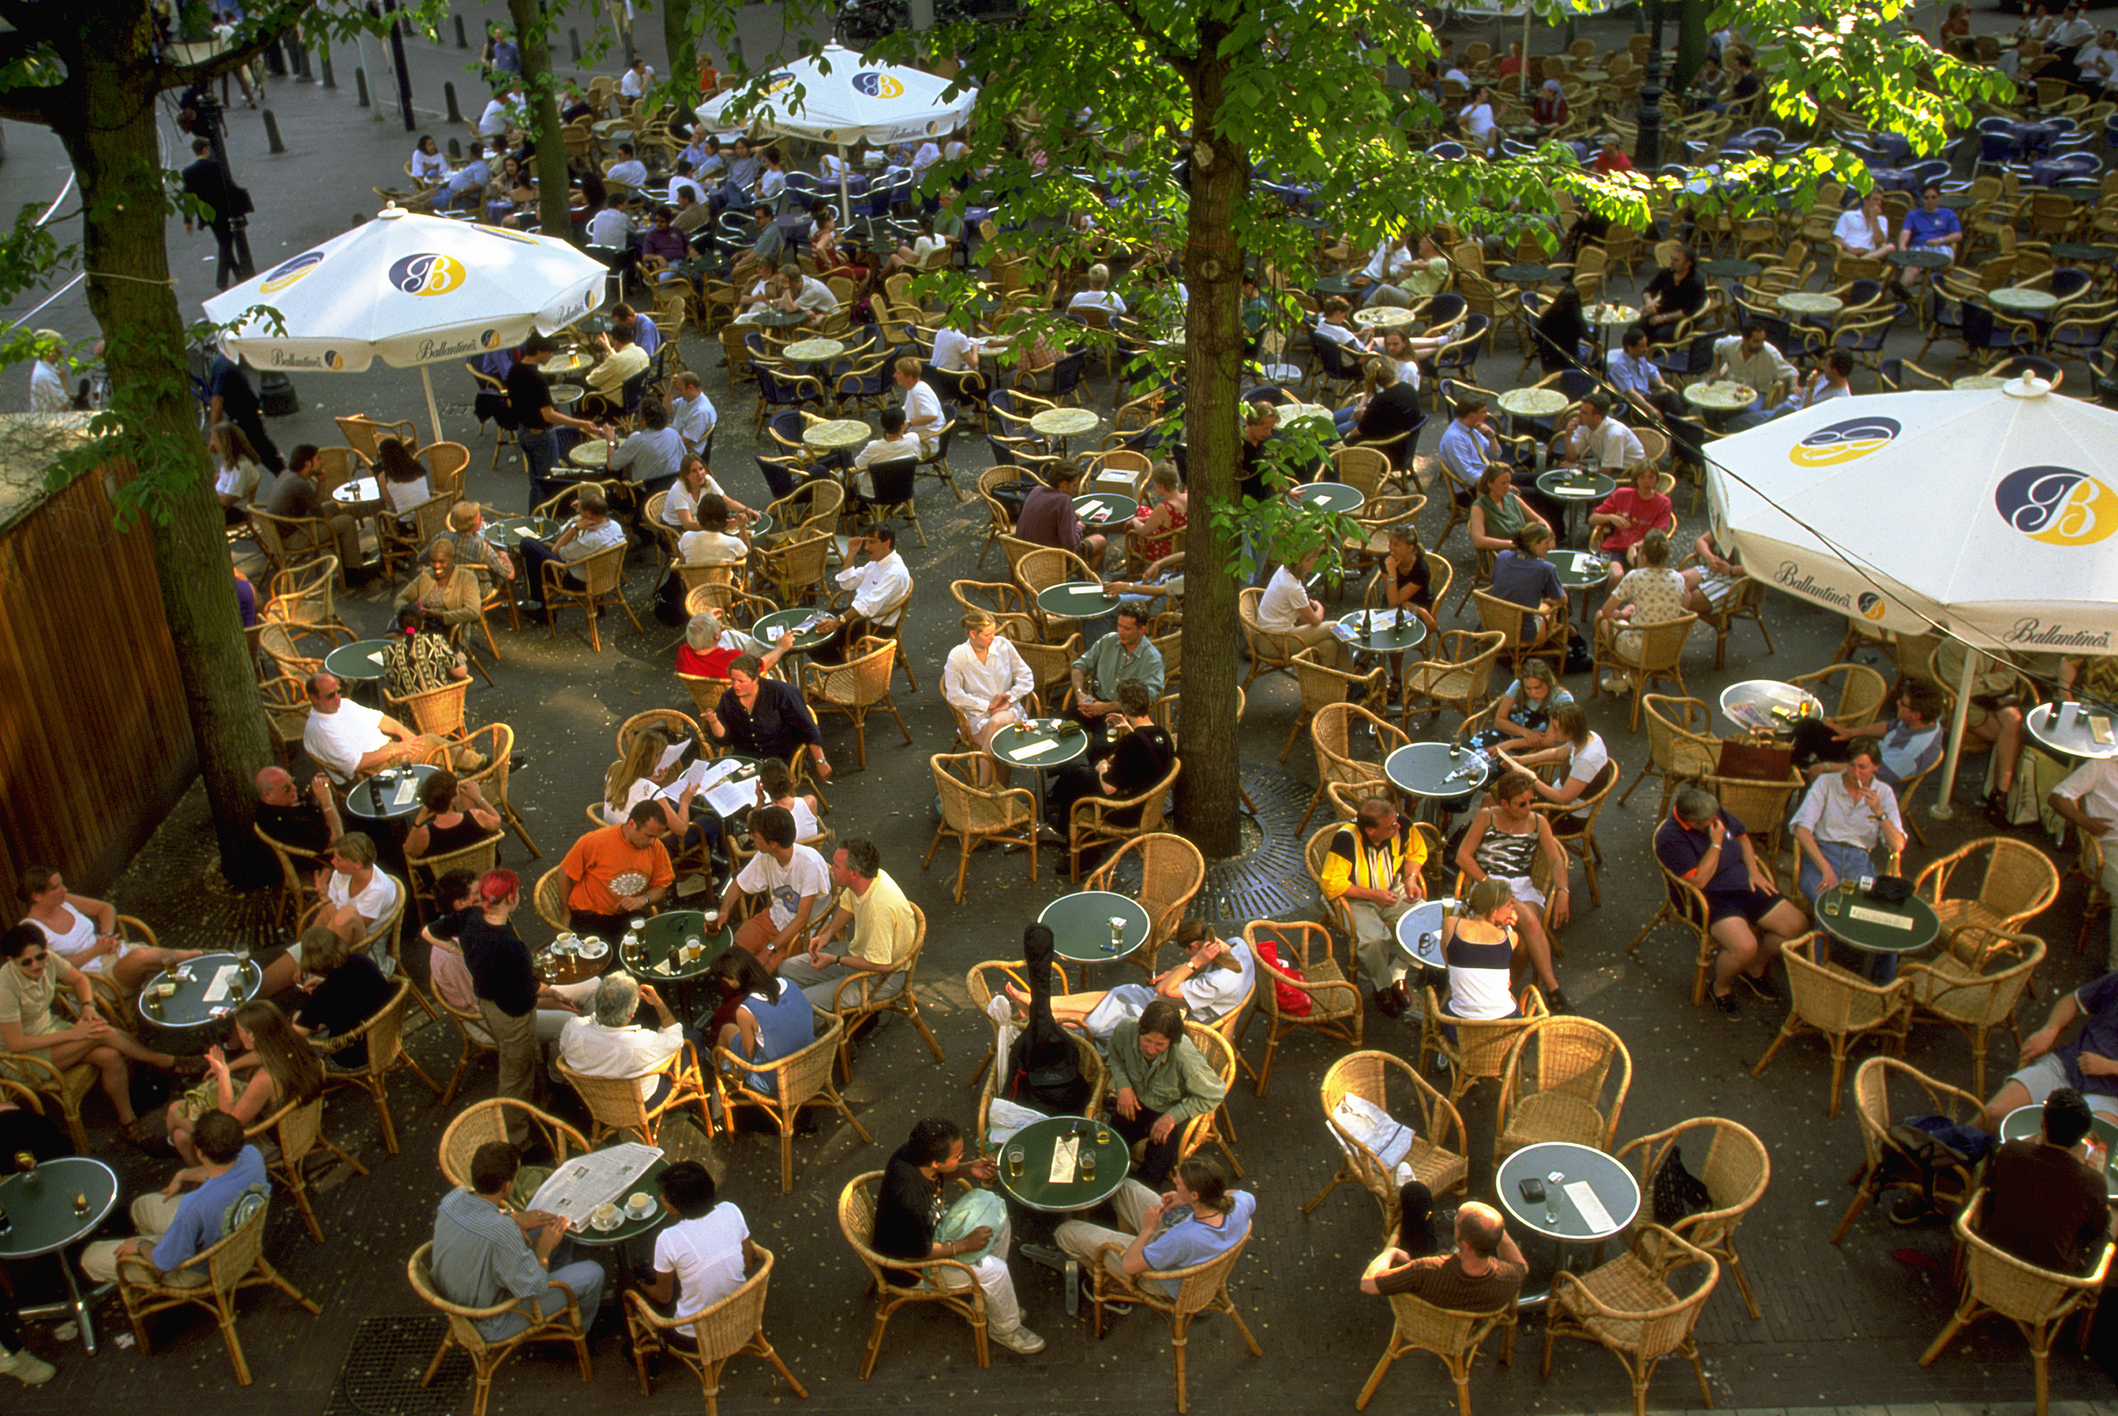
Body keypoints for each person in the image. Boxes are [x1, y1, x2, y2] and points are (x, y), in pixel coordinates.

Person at [0, 925, 197, 1144]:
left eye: (40, 957)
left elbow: (79, 980)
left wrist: (87, 1007)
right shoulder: (4, 989)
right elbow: (15, 1044)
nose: (36, 964)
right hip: (24, 1059)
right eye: (26, 962)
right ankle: (163, 1060)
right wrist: (73, 1035)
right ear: (11, 960)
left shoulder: (49, 959)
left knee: (110, 1056)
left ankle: (127, 1122)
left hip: (52, 1031)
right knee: (99, 1033)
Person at [426, 869, 586, 1137]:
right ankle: (516, 1138)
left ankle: (537, 1103)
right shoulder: (508, 945)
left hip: (494, 1002)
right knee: (515, 1076)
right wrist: (551, 995)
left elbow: (427, 932)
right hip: (509, 1012)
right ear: (511, 897)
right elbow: (525, 990)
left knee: (520, 1068)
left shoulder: (470, 918)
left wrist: (461, 951)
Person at [871, 1117, 1045, 1353]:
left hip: (928, 1232)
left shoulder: (912, 1154)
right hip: (911, 1268)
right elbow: (919, 1254)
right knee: (995, 1271)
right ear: (934, 1162)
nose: (962, 1157)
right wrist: (964, 1245)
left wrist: (967, 1169)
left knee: (999, 1219)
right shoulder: (909, 1200)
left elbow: (940, 1172)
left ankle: (989, 1297)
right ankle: (1004, 1329)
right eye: (957, 1157)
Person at [431, 1140, 604, 1341]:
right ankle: (571, 1334)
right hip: (492, 1321)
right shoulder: (502, 1233)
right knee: (593, 1273)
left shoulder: (452, 1200)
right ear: (507, 1186)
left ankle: (560, 1297)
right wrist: (543, 1250)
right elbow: (535, 1289)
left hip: (464, 1296)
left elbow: (482, 1218)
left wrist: (511, 1216)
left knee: (554, 1225)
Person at [1655, 788, 1805, 1016]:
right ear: (1692, 822)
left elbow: (1742, 836)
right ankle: (1720, 987)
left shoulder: (1711, 811)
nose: (1717, 821)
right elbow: (1700, 880)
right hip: (1710, 897)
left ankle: (1754, 969)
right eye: (1709, 822)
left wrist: (1753, 870)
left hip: (1742, 881)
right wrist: (1716, 843)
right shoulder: (1671, 838)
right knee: (1744, 947)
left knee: (1796, 925)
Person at [79, 1110, 268, 1286]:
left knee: (89, 1256)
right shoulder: (252, 1156)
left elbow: (163, 1262)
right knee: (141, 1206)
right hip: (239, 1241)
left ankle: (152, 1273)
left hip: (198, 1271)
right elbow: (220, 1173)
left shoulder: (194, 1206)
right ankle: (167, 1242)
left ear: (199, 1153)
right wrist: (183, 1174)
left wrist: (141, 1245)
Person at [1045, 1153, 1254, 1301]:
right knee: (1125, 1188)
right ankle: (1124, 1247)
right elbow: (1234, 1194)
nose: (1173, 1181)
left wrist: (1147, 1230)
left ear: (1196, 1194)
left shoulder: (1181, 1239)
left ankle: (1116, 1284)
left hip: (1162, 1277)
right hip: (1185, 1240)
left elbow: (1130, 1265)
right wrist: (1185, 1200)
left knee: (1065, 1232)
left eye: (1179, 1183)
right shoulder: (1240, 1204)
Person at [1454, 770, 1571, 1012]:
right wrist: (1489, 882)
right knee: (1528, 919)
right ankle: (1553, 990)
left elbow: (1557, 860)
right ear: (1505, 803)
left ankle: (1507, 992)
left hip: (1523, 886)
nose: (1529, 808)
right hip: (1489, 882)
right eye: (1521, 804)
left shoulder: (1538, 822)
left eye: (1531, 802)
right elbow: (1463, 857)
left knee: (1525, 946)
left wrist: (1563, 891)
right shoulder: (1487, 817)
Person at [1024, 922, 1254, 1039]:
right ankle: (1045, 1006)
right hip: (1198, 1007)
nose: (1190, 959)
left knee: (1117, 1009)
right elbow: (1186, 977)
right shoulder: (1237, 946)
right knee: (1124, 994)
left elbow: (1164, 990)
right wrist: (1183, 970)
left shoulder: (1217, 983)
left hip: (1189, 1025)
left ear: (1195, 947)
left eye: (1189, 954)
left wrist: (1194, 964)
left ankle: (1041, 1013)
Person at [164, 998, 321, 1165]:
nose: (238, 1035)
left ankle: (214, 1174)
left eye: (239, 1030)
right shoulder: (292, 1044)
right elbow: (264, 1054)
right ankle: (197, 1166)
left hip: (269, 1144)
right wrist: (231, 1066)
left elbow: (228, 1125)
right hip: (299, 1128)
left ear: (252, 1035)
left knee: (175, 1110)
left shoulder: (265, 1079)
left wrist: (223, 1074)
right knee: (181, 1137)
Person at [1103, 998, 1228, 1188]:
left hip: (1171, 1112)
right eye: (1147, 1041)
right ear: (1139, 1030)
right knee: (1104, 1148)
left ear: (1172, 1041)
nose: (1151, 1050)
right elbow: (1114, 1057)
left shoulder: (1184, 1055)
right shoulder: (1126, 1029)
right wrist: (1123, 1085)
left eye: (1160, 1045)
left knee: (1153, 1175)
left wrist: (1172, 1116)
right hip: (1137, 1103)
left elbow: (1215, 1094)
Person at [1321, 798, 1428, 1016]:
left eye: (1395, 821)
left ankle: (1398, 971)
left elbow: (1416, 851)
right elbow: (1332, 883)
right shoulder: (1346, 839)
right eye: (1390, 826)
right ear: (1371, 830)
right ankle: (1382, 985)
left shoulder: (1402, 825)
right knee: (1374, 940)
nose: (1397, 827)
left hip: (1392, 888)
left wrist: (1411, 877)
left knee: (1426, 920)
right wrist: (1373, 895)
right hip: (1357, 898)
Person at [780, 838, 918, 1008]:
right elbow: (847, 906)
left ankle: (825, 1026)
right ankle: (805, 1010)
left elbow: (881, 965)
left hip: (880, 979)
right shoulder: (868, 880)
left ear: (854, 874)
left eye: (837, 866)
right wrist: (827, 934)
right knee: (787, 969)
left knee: (805, 1002)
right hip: (857, 953)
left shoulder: (879, 908)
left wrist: (835, 959)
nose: (831, 869)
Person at [17, 865, 197, 991]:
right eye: (56, 887)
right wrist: (95, 951)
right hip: (94, 980)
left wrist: (106, 934)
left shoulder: (63, 901)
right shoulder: (29, 931)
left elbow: (106, 908)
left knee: (155, 958)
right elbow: (52, 970)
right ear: (36, 896)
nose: (64, 889)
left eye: (62, 883)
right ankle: (202, 956)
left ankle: (201, 962)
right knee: (142, 955)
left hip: (111, 953)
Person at [636, 1160, 761, 1326]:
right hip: (741, 1317)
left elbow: (664, 1297)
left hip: (695, 1337)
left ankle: (634, 1347)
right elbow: (748, 1265)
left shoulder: (668, 1238)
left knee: (627, 1280)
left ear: (681, 1204)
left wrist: (641, 1286)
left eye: (665, 1196)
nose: (661, 1198)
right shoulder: (731, 1210)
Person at [1045, 679, 1173, 834]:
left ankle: (1064, 826)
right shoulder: (1163, 734)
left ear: (1123, 709)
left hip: (1126, 812)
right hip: (1148, 802)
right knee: (1079, 772)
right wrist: (1128, 730)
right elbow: (1143, 753)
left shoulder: (1130, 743)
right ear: (1150, 703)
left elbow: (1108, 788)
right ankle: (1060, 808)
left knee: (1077, 774)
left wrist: (1102, 767)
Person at [708, 805, 828, 969]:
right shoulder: (766, 856)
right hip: (774, 918)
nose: (751, 839)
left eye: (755, 836)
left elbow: (801, 919)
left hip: (801, 933)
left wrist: (769, 949)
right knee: (732, 960)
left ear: (773, 843)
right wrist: (724, 910)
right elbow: (738, 884)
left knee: (759, 974)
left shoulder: (810, 864)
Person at [302, 670, 474, 784]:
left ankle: (468, 782)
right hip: (374, 769)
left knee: (432, 748)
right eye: (331, 695)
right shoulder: (321, 729)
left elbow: (379, 718)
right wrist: (396, 750)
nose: (338, 697)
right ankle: (480, 765)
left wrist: (405, 734)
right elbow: (357, 763)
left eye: (338, 691)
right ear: (314, 698)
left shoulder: (343, 704)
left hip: (389, 749)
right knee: (434, 745)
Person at [1360, 1201, 1527, 1312]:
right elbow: (1521, 1266)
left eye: (1456, 1224)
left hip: (1423, 1320)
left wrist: (1391, 1252)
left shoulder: (1426, 1269)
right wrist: (1496, 1232)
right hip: (1468, 1331)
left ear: (1466, 1245)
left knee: (1415, 1195)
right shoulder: (1509, 1277)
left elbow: (1367, 1284)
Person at [507, 336, 610, 505]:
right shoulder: (538, 378)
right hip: (540, 434)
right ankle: (546, 520)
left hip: (523, 431)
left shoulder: (514, 369)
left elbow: (510, 402)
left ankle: (534, 517)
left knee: (535, 483)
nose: (552, 356)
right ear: (539, 351)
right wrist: (581, 423)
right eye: (550, 352)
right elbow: (548, 415)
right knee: (549, 483)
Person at [558, 973, 689, 1105]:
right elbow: (676, 1039)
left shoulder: (572, 1029)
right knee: (695, 1038)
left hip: (595, 1101)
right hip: (640, 1104)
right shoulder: (641, 1043)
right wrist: (659, 1004)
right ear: (631, 1015)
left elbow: (588, 1024)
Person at [1934, 638, 2028, 820]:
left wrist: (1983, 680)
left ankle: (1999, 792)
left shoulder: (1988, 638)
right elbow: (1960, 684)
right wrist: (1989, 682)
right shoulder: (1950, 646)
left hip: (1994, 699)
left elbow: (2010, 674)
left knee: (2013, 719)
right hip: (1968, 704)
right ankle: (2000, 794)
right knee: (2012, 735)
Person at [1793, 680, 1947, 788]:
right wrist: (1851, 733)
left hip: (1866, 782)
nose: (1897, 702)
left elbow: (1874, 774)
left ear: (1916, 715)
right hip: (1866, 755)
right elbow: (1890, 726)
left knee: (1814, 774)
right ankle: (1788, 765)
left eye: (1903, 703)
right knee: (1809, 727)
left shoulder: (1912, 750)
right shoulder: (1926, 721)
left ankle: (1790, 783)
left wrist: (1827, 767)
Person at [701, 653, 831, 780]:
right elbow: (724, 738)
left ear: (755, 680)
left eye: (741, 681)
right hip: (746, 762)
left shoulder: (782, 693)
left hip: (781, 761)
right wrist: (713, 722)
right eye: (733, 679)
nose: (735, 685)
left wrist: (820, 761)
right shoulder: (728, 698)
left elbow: (808, 728)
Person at [943, 609, 1035, 782]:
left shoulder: (1002, 645)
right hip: (977, 718)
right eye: (988, 635)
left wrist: (1010, 698)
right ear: (973, 633)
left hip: (1010, 712)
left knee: (996, 722)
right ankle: (1000, 791)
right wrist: (987, 705)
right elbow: (954, 695)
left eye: (994, 632)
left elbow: (1026, 676)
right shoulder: (958, 656)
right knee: (1001, 741)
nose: (993, 638)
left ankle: (983, 786)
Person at [560, 805, 674, 944]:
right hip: (590, 915)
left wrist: (643, 899)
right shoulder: (595, 841)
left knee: (656, 945)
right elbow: (564, 872)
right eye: (649, 835)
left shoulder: (656, 847)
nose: (653, 842)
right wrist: (565, 912)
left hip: (626, 915)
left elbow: (662, 886)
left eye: (656, 837)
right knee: (615, 957)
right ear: (631, 824)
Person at [289, 925, 392, 1064]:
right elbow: (348, 994)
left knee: (296, 1044)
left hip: (354, 1054)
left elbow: (295, 1036)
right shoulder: (361, 960)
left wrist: (301, 1008)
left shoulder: (322, 996)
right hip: (388, 1035)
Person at [810, 524, 910, 665]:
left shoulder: (893, 572)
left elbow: (867, 606)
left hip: (876, 626)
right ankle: (840, 670)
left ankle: (841, 676)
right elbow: (847, 583)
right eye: (866, 541)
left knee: (817, 641)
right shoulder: (877, 562)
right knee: (815, 622)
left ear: (887, 542)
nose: (866, 547)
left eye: (872, 542)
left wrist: (837, 621)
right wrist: (851, 552)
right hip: (861, 615)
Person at [1593, 528, 1688, 672]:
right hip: (1667, 650)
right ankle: (1632, 677)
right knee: (1631, 623)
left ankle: (1617, 678)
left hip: (1639, 651)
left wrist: (1622, 614)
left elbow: (1606, 610)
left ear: (1643, 554)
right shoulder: (1678, 578)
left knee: (1601, 618)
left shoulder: (1636, 577)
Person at [519, 488, 625, 610]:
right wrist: (582, 507)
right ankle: (539, 602)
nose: (579, 513)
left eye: (581, 511)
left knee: (527, 544)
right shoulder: (615, 526)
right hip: (605, 576)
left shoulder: (590, 541)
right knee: (537, 553)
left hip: (577, 581)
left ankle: (539, 603)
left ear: (589, 515)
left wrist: (575, 528)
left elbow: (556, 550)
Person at [264, 443, 361, 569]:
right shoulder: (300, 484)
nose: (322, 462)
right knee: (347, 521)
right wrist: (333, 521)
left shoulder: (288, 474)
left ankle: (349, 556)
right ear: (308, 464)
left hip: (286, 530)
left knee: (333, 505)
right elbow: (321, 514)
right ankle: (353, 570)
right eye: (318, 459)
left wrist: (321, 481)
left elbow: (316, 505)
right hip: (295, 538)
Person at [1070, 604, 1166, 727]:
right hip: (1095, 704)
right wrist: (1079, 694)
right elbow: (1078, 666)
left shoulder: (1153, 659)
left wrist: (1106, 708)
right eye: (1119, 626)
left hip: (1125, 716)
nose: (1121, 632)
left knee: (1099, 745)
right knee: (1057, 727)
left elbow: (1148, 699)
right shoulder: (1108, 641)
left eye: (1127, 628)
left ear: (1141, 630)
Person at [1258, 545, 1347, 669]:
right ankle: (1353, 678)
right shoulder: (1293, 588)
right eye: (1315, 558)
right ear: (1305, 561)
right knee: (1337, 628)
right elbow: (1315, 621)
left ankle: (1333, 682)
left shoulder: (1285, 571)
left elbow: (1305, 618)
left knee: (1329, 645)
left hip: (1272, 635)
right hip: (1274, 642)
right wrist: (1320, 608)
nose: (1317, 561)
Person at [1376, 527, 1439, 701]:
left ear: (1410, 548)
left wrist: (1393, 573)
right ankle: (1368, 659)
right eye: (1390, 543)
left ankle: (1395, 677)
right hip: (1393, 602)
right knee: (1388, 619)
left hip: (1417, 604)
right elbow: (1392, 601)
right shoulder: (1386, 560)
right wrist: (1391, 573)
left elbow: (1395, 602)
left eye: (1397, 544)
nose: (1391, 548)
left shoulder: (1421, 569)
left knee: (1394, 629)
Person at [310, 831, 401, 946]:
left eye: (339, 860)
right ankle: (308, 950)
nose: (333, 862)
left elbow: (352, 931)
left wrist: (324, 897)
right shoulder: (340, 873)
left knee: (346, 913)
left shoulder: (378, 890)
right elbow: (329, 914)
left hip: (361, 948)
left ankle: (312, 954)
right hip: (332, 935)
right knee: (324, 913)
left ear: (357, 864)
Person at [1589, 462, 1673, 580]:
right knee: (1617, 576)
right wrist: (1611, 517)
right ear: (1636, 479)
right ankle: (1611, 599)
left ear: (1656, 479)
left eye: (1651, 477)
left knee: (1640, 579)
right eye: (1642, 477)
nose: (1647, 482)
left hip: (1644, 550)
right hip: (1617, 546)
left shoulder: (1663, 503)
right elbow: (1592, 518)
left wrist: (1635, 546)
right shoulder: (1622, 494)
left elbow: (1658, 535)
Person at [1016, 461, 1105, 571]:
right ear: (1063, 484)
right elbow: (1071, 544)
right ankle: (1085, 579)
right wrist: (1079, 527)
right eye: (1074, 485)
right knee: (1100, 540)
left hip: (1023, 555)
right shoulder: (1064, 500)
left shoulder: (1036, 490)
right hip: (1051, 559)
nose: (1075, 489)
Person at [1488, 522, 1567, 644]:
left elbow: (1495, 580)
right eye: (1546, 543)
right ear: (1534, 544)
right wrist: (1548, 599)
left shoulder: (1502, 556)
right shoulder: (1546, 569)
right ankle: (1558, 641)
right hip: (1524, 633)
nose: (1550, 547)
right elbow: (1562, 600)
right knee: (1554, 606)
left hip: (1495, 624)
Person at [180, 137, 241, 290]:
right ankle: (221, 281)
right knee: (226, 243)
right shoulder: (215, 166)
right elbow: (227, 187)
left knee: (223, 241)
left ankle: (238, 272)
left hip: (207, 214)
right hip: (224, 210)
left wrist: (187, 220)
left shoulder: (188, 172)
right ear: (205, 149)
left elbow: (189, 198)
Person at [1713, 323, 1800, 430]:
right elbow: (1716, 347)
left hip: (1758, 393)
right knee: (1709, 406)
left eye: (1763, 340)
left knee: (1749, 412)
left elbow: (1792, 372)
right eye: (1756, 341)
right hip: (1732, 389)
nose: (1761, 344)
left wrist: (1794, 386)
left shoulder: (1770, 353)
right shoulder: (1730, 344)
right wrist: (1716, 371)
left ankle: (1733, 431)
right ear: (1744, 339)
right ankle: (1717, 433)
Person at [404, 770, 501, 861]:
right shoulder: (477, 816)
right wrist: (478, 797)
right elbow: (497, 821)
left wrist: (418, 822)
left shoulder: (425, 833)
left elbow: (409, 851)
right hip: (484, 867)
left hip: (446, 877)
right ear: (452, 799)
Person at [1467, 462, 1553, 562]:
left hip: (1524, 550)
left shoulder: (1512, 498)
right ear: (1490, 484)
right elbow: (1478, 541)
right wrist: (1511, 543)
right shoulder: (1479, 507)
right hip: (1505, 556)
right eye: (1503, 483)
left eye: (1509, 482)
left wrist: (1549, 535)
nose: (1507, 487)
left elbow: (1538, 519)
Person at [607, 399, 686, 504]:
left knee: (621, 470)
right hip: (674, 487)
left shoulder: (636, 442)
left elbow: (611, 465)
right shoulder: (673, 434)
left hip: (646, 496)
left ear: (643, 421)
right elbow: (685, 459)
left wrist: (610, 441)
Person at [393, 539, 481, 633]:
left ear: (453, 558)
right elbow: (401, 598)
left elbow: (473, 612)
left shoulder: (466, 578)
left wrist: (439, 615)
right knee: (392, 634)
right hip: (419, 625)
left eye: (441, 561)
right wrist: (410, 614)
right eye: (432, 561)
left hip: (447, 629)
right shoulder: (426, 575)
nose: (436, 566)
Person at [254, 764, 345, 855]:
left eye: (292, 782)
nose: (294, 788)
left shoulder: (280, 803)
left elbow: (305, 808)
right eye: (286, 788)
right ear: (267, 795)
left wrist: (315, 792)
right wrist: (327, 803)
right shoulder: (285, 823)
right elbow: (337, 839)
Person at [381, 604, 469, 698]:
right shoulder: (434, 640)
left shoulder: (388, 651)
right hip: (444, 706)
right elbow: (460, 673)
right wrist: (460, 658)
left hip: (410, 711)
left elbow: (391, 679)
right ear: (422, 624)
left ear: (399, 627)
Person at [1437, 398, 1510, 504]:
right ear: (1472, 415)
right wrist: (1499, 485)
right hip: (1473, 491)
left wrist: (1491, 435)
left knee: (1533, 480)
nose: (1486, 415)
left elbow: (1495, 455)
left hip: (1490, 476)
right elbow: (1468, 475)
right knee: (1531, 495)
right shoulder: (1454, 439)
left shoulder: (1472, 428)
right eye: (1483, 412)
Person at [1608, 326, 1683, 420]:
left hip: (1648, 397)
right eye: (1642, 346)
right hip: (1637, 406)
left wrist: (1662, 386)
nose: (1646, 349)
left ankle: (1682, 422)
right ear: (1631, 348)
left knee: (1681, 399)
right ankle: (1684, 423)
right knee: (1671, 398)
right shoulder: (1621, 367)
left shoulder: (1640, 358)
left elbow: (1653, 373)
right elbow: (1631, 394)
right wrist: (1651, 409)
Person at [581, 325, 650, 421]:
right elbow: (622, 361)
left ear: (616, 342)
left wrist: (590, 373)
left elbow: (592, 380)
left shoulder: (616, 360)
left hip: (616, 403)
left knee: (582, 386)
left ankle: (581, 423)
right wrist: (609, 349)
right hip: (636, 397)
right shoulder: (642, 352)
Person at [1639, 244, 1705, 333]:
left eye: (1676, 260)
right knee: (1635, 329)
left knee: (1661, 335)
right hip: (1662, 312)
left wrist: (1664, 318)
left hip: (1681, 319)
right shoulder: (1666, 273)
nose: (1671, 262)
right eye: (1671, 258)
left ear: (1688, 264)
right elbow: (1648, 290)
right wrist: (1649, 301)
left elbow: (1688, 311)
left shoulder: (1695, 282)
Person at [1900, 184, 1963, 277]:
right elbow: (1906, 231)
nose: (1930, 200)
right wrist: (1902, 246)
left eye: (1934, 197)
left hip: (1940, 245)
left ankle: (1940, 287)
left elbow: (1958, 235)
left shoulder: (1948, 213)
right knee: (1911, 269)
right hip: (1919, 245)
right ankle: (1902, 290)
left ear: (1939, 198)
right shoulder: (1912, 215)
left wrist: (1941, 240)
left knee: (1948, 263)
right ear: (1922, 199)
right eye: (1927, 197)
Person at [205, 421, 264, 520]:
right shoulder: (229, 460)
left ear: (225, 443)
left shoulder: (239, 467)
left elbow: (225, 501)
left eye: (214, 440)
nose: (211, 443)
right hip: (222, 502)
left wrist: (206, 494)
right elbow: (219, 477)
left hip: (233, 511)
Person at [893, 355, 947, 455]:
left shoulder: (918, 391)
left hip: (925, 445)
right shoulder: (914, 387)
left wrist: (909, 423)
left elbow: (931, 415)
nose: (894, 375)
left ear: (909, 376)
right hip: (918, 436)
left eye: (898, 373)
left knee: (884, 454)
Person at [666, 372, 718, 458]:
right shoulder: (687, 399)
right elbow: (667, 408)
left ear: (690, 388)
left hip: (686, 451)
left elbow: (687, 440)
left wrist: (663, 444)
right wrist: (671, 388)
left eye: (680, 389)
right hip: (675, 439)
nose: (678, 393)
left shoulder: (701, 412)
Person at [1458, 84, 1499, 153]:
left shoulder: (1488, 106)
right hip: (1479, 136)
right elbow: (1459, 121)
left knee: (1495, 130)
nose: (1487, 94)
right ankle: (1490, 153)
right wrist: (1472, 110)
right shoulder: (1469, 108)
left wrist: (1501, 113)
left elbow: (1491, 121)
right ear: (1478, 95)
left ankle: (1490, 152)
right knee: (1494, 130)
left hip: (1491, 133)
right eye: (1484, 92)